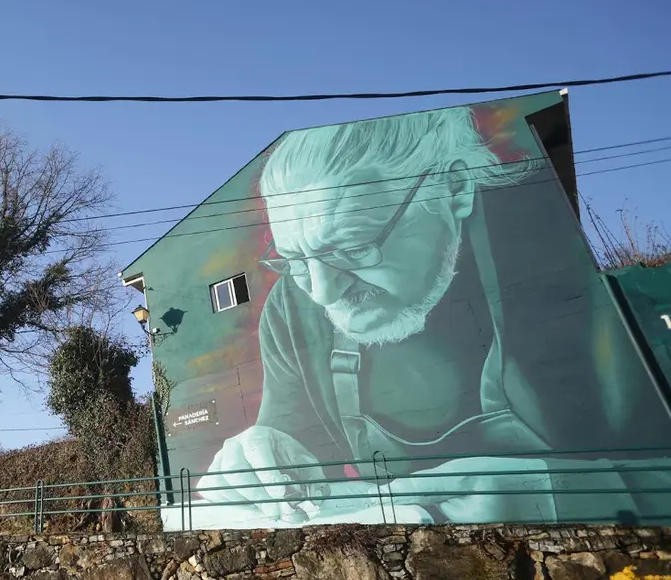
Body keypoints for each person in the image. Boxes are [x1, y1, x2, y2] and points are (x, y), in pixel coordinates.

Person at [195, 106, 671, 527]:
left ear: (455, 186)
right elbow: (297, 447)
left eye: (356, 248)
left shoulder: (554, 256)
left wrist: (549, 495)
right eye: (295, 261)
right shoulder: (291, 311)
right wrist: (262, 459)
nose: (321, 291)